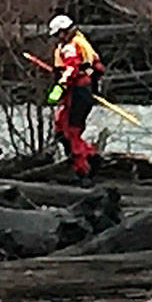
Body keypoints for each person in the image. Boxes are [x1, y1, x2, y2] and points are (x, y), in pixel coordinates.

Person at [47, 14, 104, 179]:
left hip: (77, 93)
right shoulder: (82, 44)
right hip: (83, 92)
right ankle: (85, 159)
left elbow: (71, 71)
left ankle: (83, 167)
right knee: (62, 128)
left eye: (58, 34)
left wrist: (57, 90)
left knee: (71, 132)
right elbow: (92, 69)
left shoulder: (71, 48)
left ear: (64, 32)